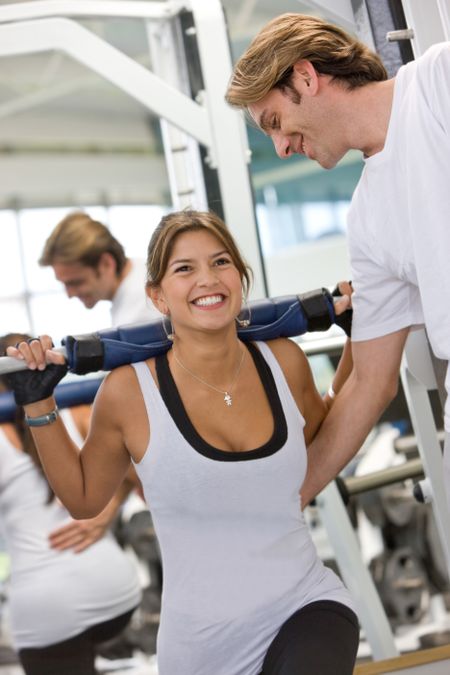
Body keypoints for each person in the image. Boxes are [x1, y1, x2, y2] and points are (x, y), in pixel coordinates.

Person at [6, 209, 358, 675]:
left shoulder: (284, 362)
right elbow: (84, 498)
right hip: (203, 648)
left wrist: (359, 338)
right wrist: (38, 402)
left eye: (221, 263)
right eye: (184, 269)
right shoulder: (128, 391)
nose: (207, 280)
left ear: (240, 276)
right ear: (158, 296)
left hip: (307, 603)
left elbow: (327, 426)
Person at [225, 14, 450, 509]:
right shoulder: (366, 220)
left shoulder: (437, 84)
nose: (281, 148)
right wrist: (288, 501)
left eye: (275, 123)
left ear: (306, 76)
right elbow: (369, 382)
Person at [0, 333, 142, 675]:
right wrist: (105, 513)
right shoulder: (78, 411)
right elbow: (139, 471)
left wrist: (99, 513)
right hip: (116, 592)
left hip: (48, 610)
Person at [39, 211, 161, 326]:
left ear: (106, 264)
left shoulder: (138, 316)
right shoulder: (142, 269)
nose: (69, 294)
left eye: (75, 282)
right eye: (64, 283)